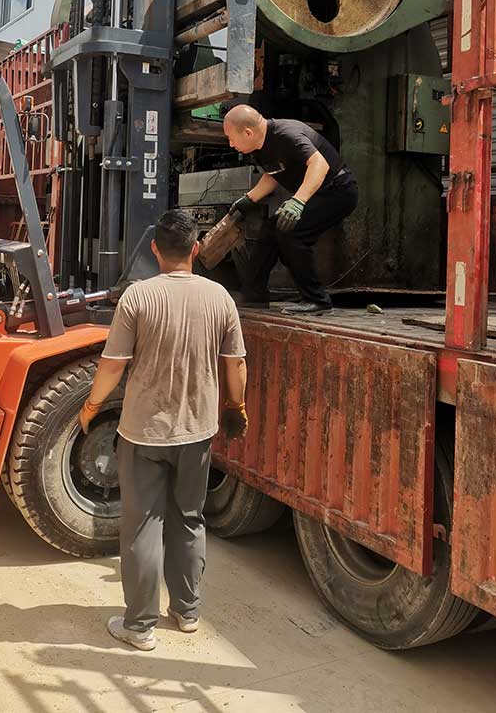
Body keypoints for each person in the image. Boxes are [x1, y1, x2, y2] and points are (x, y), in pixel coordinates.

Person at [78, 209, 248, 652]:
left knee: (142, 527)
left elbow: (113, 364)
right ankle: (187, 612)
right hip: (198, 431)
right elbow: (235, 363)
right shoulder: (219, 297)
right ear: (196, 248)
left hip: (144, 433)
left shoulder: (138, 297)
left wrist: (92, 405)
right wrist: (236, 406)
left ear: (155, 249)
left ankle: (139, 625)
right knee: (189, 519)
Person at [223, 104, 358, 315]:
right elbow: (273, 174)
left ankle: (317, 300)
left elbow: (319, 165)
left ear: (248, 133)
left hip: (338, 190)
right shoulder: (260, 147)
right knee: (270, 230)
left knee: (292, 232)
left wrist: (297, 202)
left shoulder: (287, 134)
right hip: (316, 193)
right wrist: (249, 199)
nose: (231, 144)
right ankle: (254, 295)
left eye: (231, 138)